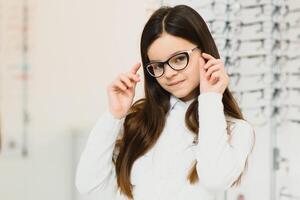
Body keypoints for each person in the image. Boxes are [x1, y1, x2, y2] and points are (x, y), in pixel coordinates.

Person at [75, 4, 255, 200]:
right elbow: (88, 186)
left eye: (179, 59)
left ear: (205, 53)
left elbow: (215, 179)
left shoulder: (236, 129)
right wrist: (113, 116)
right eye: (158, 66)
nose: (168, 73)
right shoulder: (136, 122)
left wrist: (210, 98)